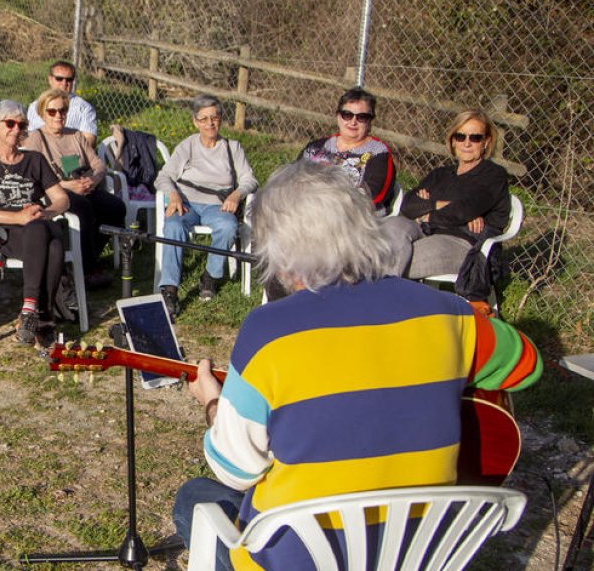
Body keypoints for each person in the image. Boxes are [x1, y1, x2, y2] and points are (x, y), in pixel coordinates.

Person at [170, 160, 541, 569]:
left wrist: (212, 403)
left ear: (278, 249)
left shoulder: (266, 332)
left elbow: (236, 470)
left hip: (301, 558)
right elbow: (528, 364)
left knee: (196, 498)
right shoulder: (450, 315)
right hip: (414, 554)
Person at [0, 101, 70, 345]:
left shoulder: (35, 160)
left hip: (38, 223)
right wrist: (18, 217)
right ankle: (43, 318)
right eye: (9, 123)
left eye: (20, 124)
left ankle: (29, 311)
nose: (15, 129)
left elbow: (62, 199)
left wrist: (44, 212)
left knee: (40, 229)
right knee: (53, 247)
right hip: (6, 233)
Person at [155, 95, 258, 310]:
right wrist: (173, 195)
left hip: (217, 205)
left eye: (214, 117)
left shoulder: (232, 147)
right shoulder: (188, 146)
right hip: (186, 202)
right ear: (195, 122)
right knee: (173, 225)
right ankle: (170, 289)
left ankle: (210, 276)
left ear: (221, 119)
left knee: (228, 226)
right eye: (203, 119)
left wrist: (236, 194)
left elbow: (250, 180)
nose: (209, 123)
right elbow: (163, 177)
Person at [387, 110, 511, 281]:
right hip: (424, 231)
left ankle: (379, 301)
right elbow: (408, 206)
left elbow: (463, 210)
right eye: (460, 137)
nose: (467, 143)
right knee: (392, 227)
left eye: (475, 138)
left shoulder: (493, 175)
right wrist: (443, 206)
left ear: (486, 142)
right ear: (453, 141)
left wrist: (426, 211)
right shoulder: (440, 174)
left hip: (462, 243)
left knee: (395, 259)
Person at [23, 88, 124, 289]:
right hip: (57, 191)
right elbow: (36, 177)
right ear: (43, 113)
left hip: (84, 185)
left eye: (62, 111)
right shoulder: (36, 138)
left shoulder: (75, 135)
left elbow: (98, 164)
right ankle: (87, 269)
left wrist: (93, 180)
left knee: (117, 208)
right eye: (52, 112)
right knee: (83, 209)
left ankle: (89, 257)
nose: (58, 116)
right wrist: (68, 185)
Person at [299, 87, 397, 213]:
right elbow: (292, 176)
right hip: (306, 210)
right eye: (347, 115)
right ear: (338, 117)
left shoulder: (378, 153)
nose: (353, 122)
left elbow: (374, 197)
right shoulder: (316, 147)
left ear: (370, 121)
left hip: (352, 218)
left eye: (362, 117)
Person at [26, 60, 97, 146]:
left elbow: (89, 139)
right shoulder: (35, 106)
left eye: (69, 79)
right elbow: (29, 136)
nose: (64, 83)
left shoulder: (84, 108)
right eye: (59, 79)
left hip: (69, 154)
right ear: (50, 79)